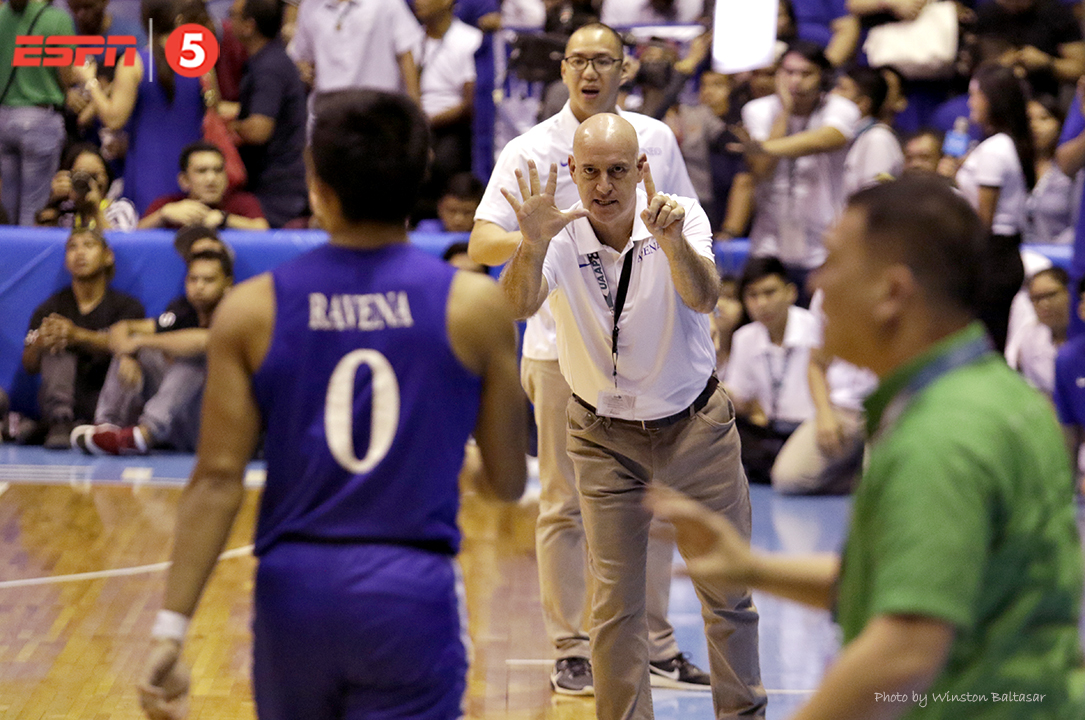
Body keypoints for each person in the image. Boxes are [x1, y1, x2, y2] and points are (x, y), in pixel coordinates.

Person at [137, 89, 526, 720]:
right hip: (411, 590)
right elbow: (508, 484)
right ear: (420, 174)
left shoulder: (252, 309)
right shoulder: (475, 307)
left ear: (315, 181)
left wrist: (170, 630)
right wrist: (457, 462)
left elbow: (215, 480)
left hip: (296, 592)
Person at [651, 175, 1085, 719]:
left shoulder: (945, 434)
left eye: (833, 260)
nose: (818, 281)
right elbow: (910, 584)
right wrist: (752, 567)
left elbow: (904, 647)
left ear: (893, 291)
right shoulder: (994, 395)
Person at [469, 21, 710, 697]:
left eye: (602, 59)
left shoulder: (653, 139)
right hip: (557, 352)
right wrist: (533, 230)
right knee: (564, 506)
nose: (589, 71)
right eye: (578, 59)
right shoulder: (530, 148)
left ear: (624, 69)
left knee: (654, 505)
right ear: (564, 68)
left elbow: (682, 219)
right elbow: (478, 243)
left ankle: (656, 645)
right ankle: (572, 648)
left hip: (646, 349)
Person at [498, 113, 765, 720]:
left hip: (696, 428)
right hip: (602, 437)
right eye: (589, 172)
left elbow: (703, 296)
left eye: (618, 171)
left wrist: (672, 248)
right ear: (572, 172)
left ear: (642, 169)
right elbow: (514, 307)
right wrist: (531, 242)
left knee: (726, 591)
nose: (603, 186)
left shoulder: (678, 218)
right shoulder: (557, 234)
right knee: (614, 606)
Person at [73, 249, 233, 455]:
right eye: (193, 279)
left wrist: (139, 342)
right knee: (141, 353)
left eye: (208, 280)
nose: (199, 286)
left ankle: (147, 432)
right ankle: (107, 429)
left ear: (227, 284)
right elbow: (122, 328)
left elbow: (204, 341)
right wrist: (126, 355)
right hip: (179, 423)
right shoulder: (182, 310)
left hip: (216, 428)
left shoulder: (234, 311)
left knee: (193, 360)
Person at [736, 40, 860, 296]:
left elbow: (831, 137)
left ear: (823, 77)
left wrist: (767, 147)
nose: (795, 81)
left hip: (823, 244)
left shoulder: (841, 108)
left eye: (806, 73)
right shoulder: (757, 110)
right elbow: (761, 169)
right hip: (769, 242)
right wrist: (785, 112)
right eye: (789, 72)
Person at [73, 0, 206, 217]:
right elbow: (213, 108)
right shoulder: (200, 60)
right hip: (193, 169)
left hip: (149, 168)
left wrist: (90, 81)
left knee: (148, 234)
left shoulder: (134, 61)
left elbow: (113, 119)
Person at [21, 229, 144, 448]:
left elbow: (131, 346)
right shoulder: (50, 308)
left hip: (107, 400)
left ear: (108, 256)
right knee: (56, 342)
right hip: (62, 402)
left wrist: (77, 335)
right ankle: (59, 421)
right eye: (72, 247)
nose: (80, 253)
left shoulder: (128, 308)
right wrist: (41, 342)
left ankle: (59, 427)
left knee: (123, 356)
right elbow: (29, 365)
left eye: (89, 245)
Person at [952, 63, 1034, 352]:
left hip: (993, 259)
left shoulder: (995, 149)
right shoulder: (1000, 144)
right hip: (1002, 255)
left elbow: (982, 220)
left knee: (985, 345)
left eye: (975, 94)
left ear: (993, 99)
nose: (970, 102)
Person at [725, 256, 818, 485]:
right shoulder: (745, 337)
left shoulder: (815, 329)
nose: (761, 303)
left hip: (811, 429)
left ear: (791, 293)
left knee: (786, 476)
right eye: (753, 295)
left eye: (769, 293)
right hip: (770, 431)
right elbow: (740, 401)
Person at [227, 0, 308, 229]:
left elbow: (259, 130)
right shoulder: (269, 61)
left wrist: (229, 128)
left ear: (249, 25)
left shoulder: (269, 67)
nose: (228, 21)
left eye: (232, 15)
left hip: (277, 191)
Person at [0, 0, 75, 225]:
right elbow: (67, 76)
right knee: (34, 209)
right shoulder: (57, 19)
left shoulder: (2, 15)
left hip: (4, 119)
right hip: (40, 119)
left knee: (7, 207)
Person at [287, 0, 422, 106]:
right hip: (329, 115)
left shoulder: (387, 3)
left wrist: (415, 109)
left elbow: (406, 54)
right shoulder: (309, 7)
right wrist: (304, 70)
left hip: (378, 112)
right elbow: (302, 57)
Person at [139, 141, 269, 230]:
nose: (211, 179)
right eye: (202, 171)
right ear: (184, 180)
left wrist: (225, 220)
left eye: (218, 170)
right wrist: (162, 215)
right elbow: (132, 238)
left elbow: (263, 230)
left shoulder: (243, 202)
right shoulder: (167, 204)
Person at [834, 65, 903, 196]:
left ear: (862, 103)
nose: (832, 94)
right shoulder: (845, 134)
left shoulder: (878, 139)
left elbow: (875, 199)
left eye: (841, 88)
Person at [37, 143, 138, 231]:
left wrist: (96, 211)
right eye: (82, 175)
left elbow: (120, 248)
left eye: (95, 176)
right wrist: (52, 203)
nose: (90, 183)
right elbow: (38, 246)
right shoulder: (62, 211)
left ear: (108, 176)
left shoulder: (120, 208)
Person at [1010, 265, 1071, 396]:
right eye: (1036, 299)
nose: (1043, 304)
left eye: (1051, 295)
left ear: (1069, 292)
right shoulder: (1029, 339)